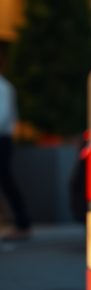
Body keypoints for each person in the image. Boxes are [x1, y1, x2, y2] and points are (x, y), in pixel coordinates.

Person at [0, 73, 31, 240]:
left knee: (7, 181)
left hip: (2, 139)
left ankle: (23, 223)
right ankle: (23, 223)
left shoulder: (3, 87)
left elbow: (3, 116)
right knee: (6, 181)